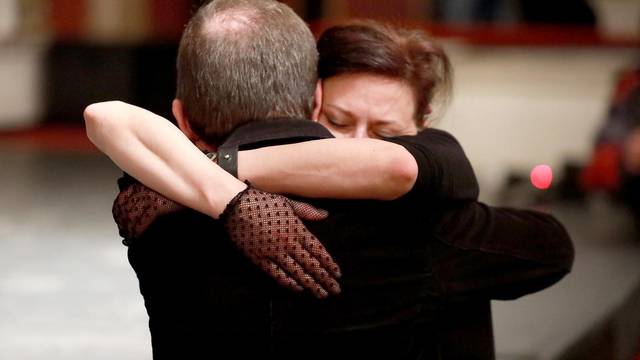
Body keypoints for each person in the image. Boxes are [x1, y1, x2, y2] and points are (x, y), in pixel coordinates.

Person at [85, 2, 574, 359]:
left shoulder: (154, 194)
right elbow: (549, 247)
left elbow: (113, 121)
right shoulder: (417, 221)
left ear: (181, 119)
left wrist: (224, 184)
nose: (359, 145)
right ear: (317, 100)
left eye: (385, 133)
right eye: (344, 121)